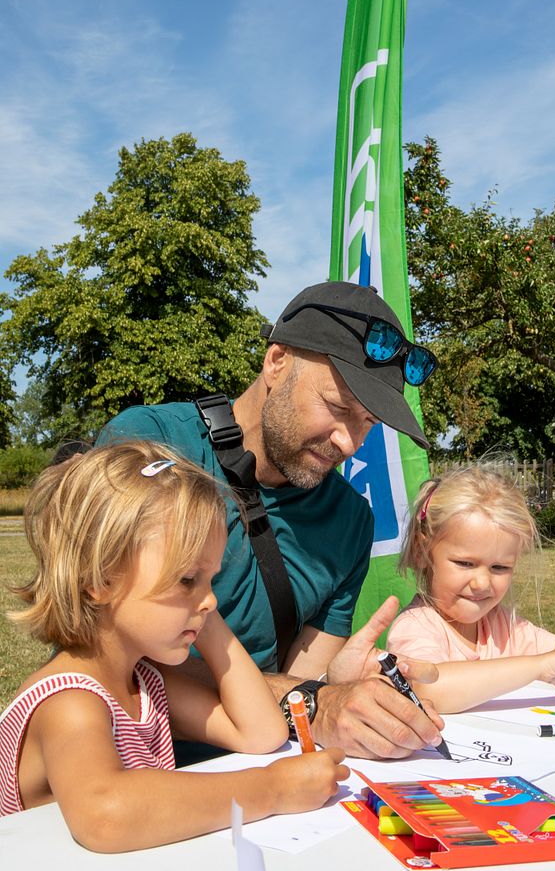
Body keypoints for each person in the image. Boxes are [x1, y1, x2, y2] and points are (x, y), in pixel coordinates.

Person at [96, 281, 446, 759]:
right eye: (339, 408)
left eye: (368, 422)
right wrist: (306, 700)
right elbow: (103, 650)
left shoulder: (350, 520)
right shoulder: (150, 446)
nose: (349, 444)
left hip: (259, 768)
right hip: (123, 761)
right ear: (276, 362)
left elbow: (305, 674)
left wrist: (331, 686)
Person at [0, 442, 348, 851]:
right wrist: (272, 789)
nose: (210, 599)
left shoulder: (144, 683)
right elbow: (106, 814)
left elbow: (260, 732)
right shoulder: (68, 703)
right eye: (186, 579)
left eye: (211, 579)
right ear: (101, 580)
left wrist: (204, 614)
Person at [387, 464, 555, 713]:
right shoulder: (415, 627)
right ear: (422, 551)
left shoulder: (503, 626)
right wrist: (540, 667)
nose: (482, 583)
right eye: (465, 563)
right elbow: (429, 690)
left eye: (499, 567)